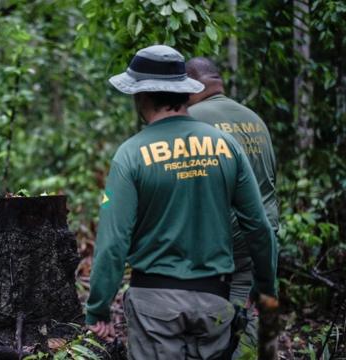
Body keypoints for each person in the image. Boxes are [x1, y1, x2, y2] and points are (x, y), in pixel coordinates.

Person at [85, 45, 278, 359]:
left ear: (141, 96)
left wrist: (98, 308)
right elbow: (258, 224)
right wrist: (266, 284)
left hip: (154, 307)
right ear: (184, 93)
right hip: (216, 301)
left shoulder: (130, 155)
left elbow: (113, 243)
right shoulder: (225, 145)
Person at [186, 57, 279, 358]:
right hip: (261, 235)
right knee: (246, 312)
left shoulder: (191, 119)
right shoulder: (255, 119)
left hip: (218, 239)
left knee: (208, 324)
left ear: (190, 85)